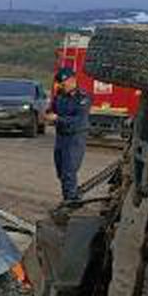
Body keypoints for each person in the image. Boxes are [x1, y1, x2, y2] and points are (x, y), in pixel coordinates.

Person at [45, 66, 92, 202]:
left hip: (75, 138)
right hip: (60, 138)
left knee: (69, 172)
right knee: (61, 172)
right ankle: (68, 197)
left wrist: (57, 119)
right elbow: (51, 109)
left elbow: (78, 121)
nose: (61, 86)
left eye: (63, 84)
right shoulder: (60, 96)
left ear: (72, 81)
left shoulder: (83, 98)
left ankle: (70, 202)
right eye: (60, 84)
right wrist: (47, 114)